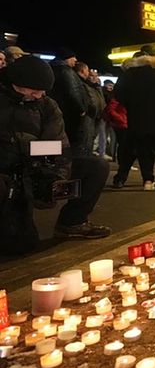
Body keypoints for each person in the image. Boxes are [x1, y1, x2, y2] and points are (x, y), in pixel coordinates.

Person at [0, 55, 110, 254]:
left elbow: (55, 145)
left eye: (43, 91)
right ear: (16, 84)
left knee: (96, 166)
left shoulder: (47, 106)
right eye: (34, 90)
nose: (39, 95)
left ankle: (72, 222)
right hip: (6, 174)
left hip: (33, 166)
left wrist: (52, 177)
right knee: (19, 247)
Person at [114, 49, 155, 191]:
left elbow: (119, 95)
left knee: (144, 151)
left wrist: (132, 107)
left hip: (137, 120)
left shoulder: (129, 74)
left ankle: (148, 181)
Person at [48, 48, 89, 157]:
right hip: (69, 113)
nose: (75, 60)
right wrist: (81, 109)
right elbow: (73, 91)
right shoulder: (66, 71)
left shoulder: (50, 68)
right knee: (72, 142)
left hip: (55, 110)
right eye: (72, 57)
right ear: (66, 58)